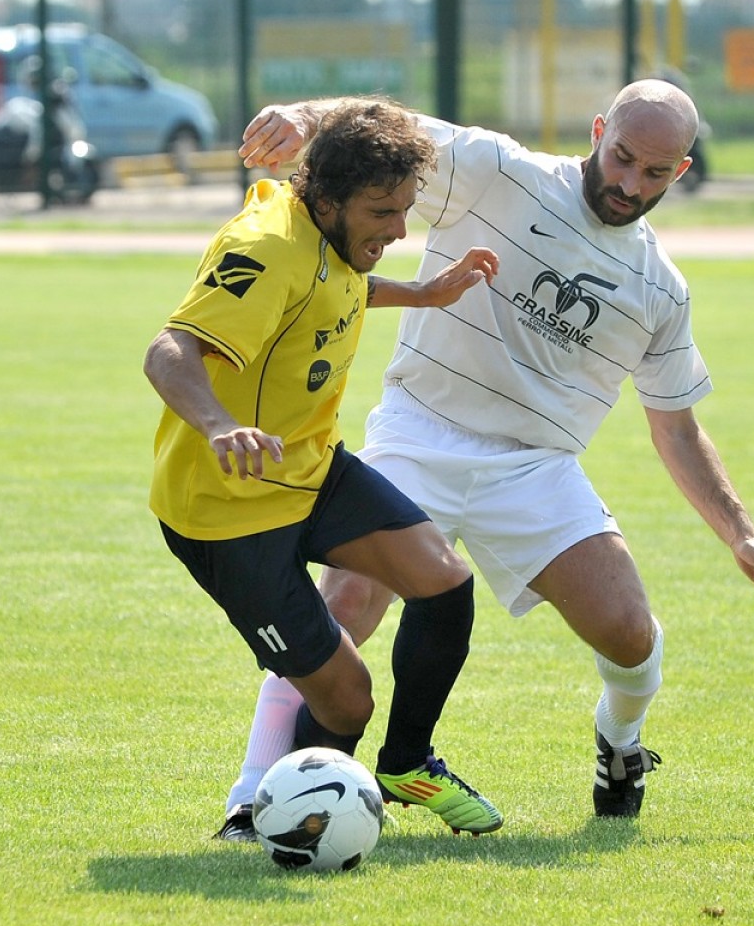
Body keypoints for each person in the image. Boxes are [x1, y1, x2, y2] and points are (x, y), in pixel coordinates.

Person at [230, 79, 754, 821]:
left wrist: (741, 532)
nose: (630, 184)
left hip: (535, 467)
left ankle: (620, 741)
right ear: (598, 130)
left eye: (655, 173)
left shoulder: (661, 290)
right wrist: (299, 116)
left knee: (630, 636)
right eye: (621, 157)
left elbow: (677, 428)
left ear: (681, 171)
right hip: (419, 430)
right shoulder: (498, 170)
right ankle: (253, 800)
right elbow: (383, 128)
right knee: (343, 608)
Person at [143, 98, 505, 842]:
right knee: (348, 701)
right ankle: (285, 825)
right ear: (326, 198)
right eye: (382, 211)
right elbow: (168, 350)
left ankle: (405, 764)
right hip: (229, 511)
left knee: (444, 584)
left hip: (311, 470)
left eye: (406, 209)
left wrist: (427, 292)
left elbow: (340, 288)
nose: (399, 230)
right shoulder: (268, 243)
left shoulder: (332, 239)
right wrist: (219, 425)